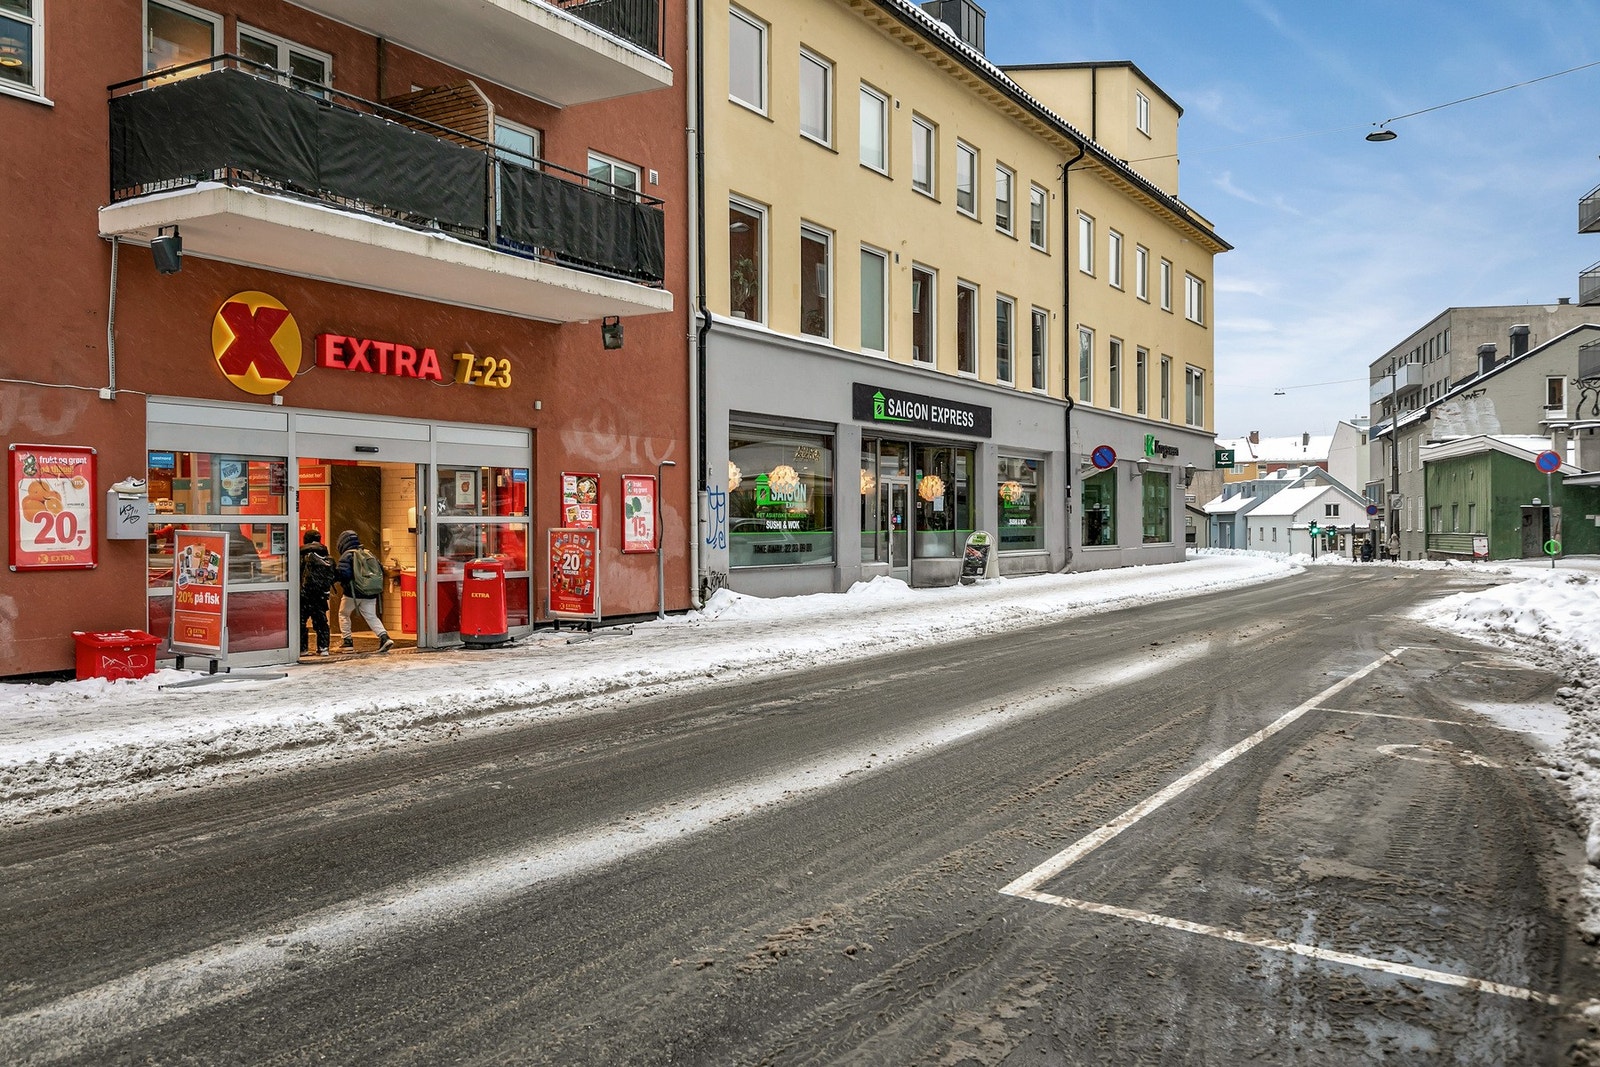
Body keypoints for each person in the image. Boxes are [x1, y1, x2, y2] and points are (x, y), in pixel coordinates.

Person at [335, 529, 393, 653]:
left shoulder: (347, 555)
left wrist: (340, 580)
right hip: (371, 591)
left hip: (353, 592)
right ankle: (384, 637)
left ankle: (347, 641)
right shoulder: (368, 553)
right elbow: (380, 569)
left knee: (343, 614)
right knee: (371, 616)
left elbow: (343, 573)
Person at [299, 530, 336, 657]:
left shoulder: (302, 555)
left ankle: (302, 648)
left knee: (301, 622)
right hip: (320, 596)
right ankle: (323, 647)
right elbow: (333, 576)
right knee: (321, 622)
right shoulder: (327, 557)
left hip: (304, 595)